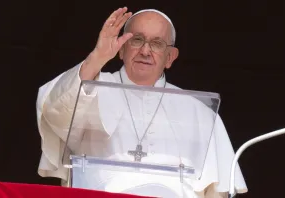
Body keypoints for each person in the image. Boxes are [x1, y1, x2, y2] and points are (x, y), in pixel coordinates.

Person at [36, 7, 248, 198]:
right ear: (121, 48)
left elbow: (217, 192)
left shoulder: (199, 112)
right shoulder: (90, 86)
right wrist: (97, 57)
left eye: (157, 43)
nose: (145, 51)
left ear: (170, 57)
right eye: (137, 40)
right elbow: (53, 110)